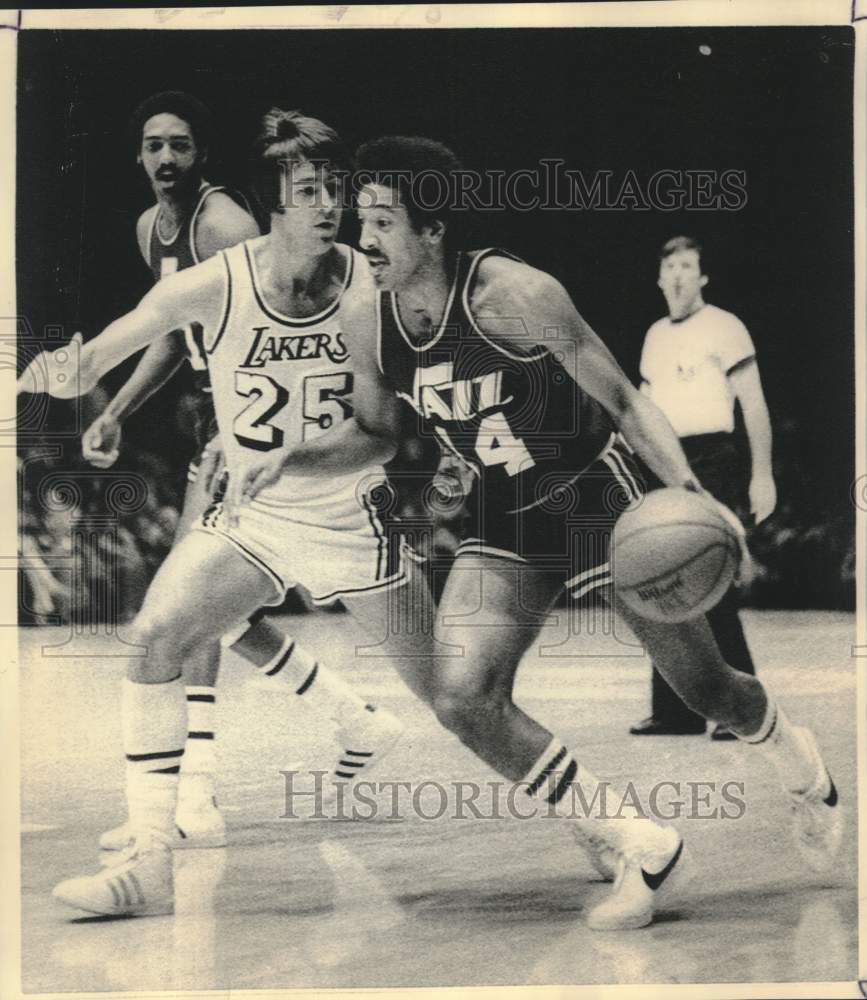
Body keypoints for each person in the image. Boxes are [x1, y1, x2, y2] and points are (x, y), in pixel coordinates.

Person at [228, 134, 840, 931]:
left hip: (594, 499)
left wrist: (690, 491)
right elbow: (376, 432)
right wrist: (286, 457)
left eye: (381, 222)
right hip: (501, 513)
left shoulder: (515, 294)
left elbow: (620, 398)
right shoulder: (364, 315)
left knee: (706, 689)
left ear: (433, 229)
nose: (362, 240)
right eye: (359, 220)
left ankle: (801, 769)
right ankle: (640, 843)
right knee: (461, 696)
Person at [19, 110, 422, 917]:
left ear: (204, 160)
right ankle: (181, 818)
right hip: (239, 434)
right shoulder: (155, 231)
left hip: (287, 450)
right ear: (136, 156)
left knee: (455, 696)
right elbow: (171, 326)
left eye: (179, 144)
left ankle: (205, 787)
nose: (165, 157)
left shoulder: (238, 229)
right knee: (184, 616)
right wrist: (103, 397)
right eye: (152, 145)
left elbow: (368, 396)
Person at [629, 236, 776, 739]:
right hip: (662, 458)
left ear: (702, 277)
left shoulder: (725, 326)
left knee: (709, 574)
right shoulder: (653, 335)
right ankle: (676, 710)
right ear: (658, 277)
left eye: (687, 266)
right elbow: (643, 413)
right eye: (669, 265)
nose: (677, 274)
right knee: (660, 575)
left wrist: (763, 473)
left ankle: (741, 706)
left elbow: (753, 405)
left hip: (713, 455)